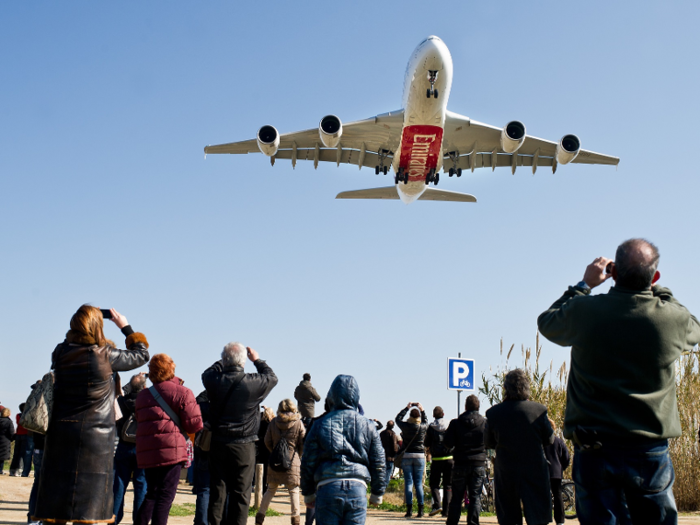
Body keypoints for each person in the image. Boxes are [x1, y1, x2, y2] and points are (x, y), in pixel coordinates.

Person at [537, 239, 700, 525]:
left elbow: (547, 322)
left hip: (595, 447)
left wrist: (583, 285)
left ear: (613, 272)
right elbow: (694, 327)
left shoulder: (585, 311)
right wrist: (657, 288)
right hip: (649, 450)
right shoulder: (671, 319)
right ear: (654, 276)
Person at [33, 305, 150, 524]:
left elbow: (70, 346)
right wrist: (125, 326)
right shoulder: (106, 356)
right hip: (95, 437)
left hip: (60, 433)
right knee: (89, 508)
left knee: (56, 502)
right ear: (98, 326)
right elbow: (142, 354)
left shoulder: (60, 352)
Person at [202, 343, 278, 525]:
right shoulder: (253, 383)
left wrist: (224, 360)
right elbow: (272, 378)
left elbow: (207, 372)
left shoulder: (213, 380)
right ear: (243, 362)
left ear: (224, 360)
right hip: (244, 444)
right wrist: (257, 360)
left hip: (218, 442)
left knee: (217, 492)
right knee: (242, 494)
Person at [300, 375, 386, 525]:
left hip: (327, 486)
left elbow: (308, 460)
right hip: (357, 487)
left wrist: (308, 492)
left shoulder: (319, 424)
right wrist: (377, 492)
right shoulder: (369, 425)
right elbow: (378, 461)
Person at [134, 353, 203, 525]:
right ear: (171, 369)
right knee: (165, 497)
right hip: (171, 451)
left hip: (147, 451)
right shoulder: (183, 392)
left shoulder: (142, 395)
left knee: (152, 493)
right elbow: (194, 425)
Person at [485, 369, 554, 525]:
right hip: (534, 468)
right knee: (538, 517)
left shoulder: (493, 413)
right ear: (526, 387)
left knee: (508, 516)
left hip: (506, 469)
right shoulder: (539, 411)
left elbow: (488, 443)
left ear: (505, 388)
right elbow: (549, 439)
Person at [256, 399, 306, 525]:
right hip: (292, 460)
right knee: (293, 490)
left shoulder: (273, 422)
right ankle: (295, 520)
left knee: (271, 489)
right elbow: (303, 442)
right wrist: (298, 455)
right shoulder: (298, 423)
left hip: (275, 461)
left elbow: (267, 440)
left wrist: (275, 452)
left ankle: (260, 517)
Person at [444, 395, 487, 525]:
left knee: (456, 497)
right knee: (475, 497)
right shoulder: (485, 423)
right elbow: (491, 442)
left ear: (465, 407)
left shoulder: (455, 423)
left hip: (460, 464)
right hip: (478, 464)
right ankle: (473, 522)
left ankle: (452, 522)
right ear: (478, 407)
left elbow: (447, 443)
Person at [113, 372, 149, 524]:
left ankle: (113, 518)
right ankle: (139, 520)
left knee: (119, 483)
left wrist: (132, 382)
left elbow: (121, 393)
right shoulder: (148, 401)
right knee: (141, 484)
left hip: (123, 446)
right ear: (144, 387)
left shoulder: (122, 401)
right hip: (142, 447)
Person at [396, 402, 428, 518]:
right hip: (419, 456)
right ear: (418, 416)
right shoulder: (422, 426)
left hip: (407, 455)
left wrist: (406, 407)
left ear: (410, 416)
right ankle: (421, 510)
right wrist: (422, 410)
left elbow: (397, 419)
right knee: (418, 484)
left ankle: (409, 510)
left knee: (408, 483)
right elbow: (426, 421)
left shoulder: (405, 426)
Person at [425, 406, 453, 517]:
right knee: (448, 485)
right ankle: (447, 511)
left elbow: (426, 443)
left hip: (436, 459)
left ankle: (437, 504)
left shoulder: (431, 427)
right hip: (450, 458)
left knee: (434, 483)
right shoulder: (449, 425)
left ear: (433, 415)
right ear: (444, 414)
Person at [544, 418, 570, 525]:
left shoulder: (541, 442)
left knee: (545, 496)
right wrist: (561, 468)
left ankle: (545, 518)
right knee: (558, 496)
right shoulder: (559, 441)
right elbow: (566, 457)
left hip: (544, 472)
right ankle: (560, 521)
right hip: (556, 472)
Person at [192, 391, 211, 525]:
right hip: (226, 447)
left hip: (205, 446)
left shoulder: (203, 404)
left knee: (204, 489)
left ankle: (201, 521)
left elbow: (198, 400)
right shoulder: (229, 400)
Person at [255, 405, 276, 496]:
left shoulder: (260, 422)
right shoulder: (273, 423)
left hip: (260, 447)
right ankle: (268, 487)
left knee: (261, 468)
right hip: (269, 448)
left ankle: (262, 487)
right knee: (269, 469)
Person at [27, 430, 45, 525]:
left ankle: (33, 519)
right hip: (54, 447)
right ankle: (45, 518)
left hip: (38, 446)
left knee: (38, 483)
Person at [10, 403, 32, 476]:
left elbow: (18, 423)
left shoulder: (18, 415)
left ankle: (12, 469)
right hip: (25, 434)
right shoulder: (28, 415)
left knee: (16, 453)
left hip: (18, 434)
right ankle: (19, 469)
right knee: (23, 453)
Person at [379, 420, 400, 488]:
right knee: (388, 472)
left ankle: (380, 485)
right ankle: (385, 487)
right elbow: (394, 446)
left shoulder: (382, 433)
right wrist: (396, 452)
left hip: (382, 455)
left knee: (382, 472)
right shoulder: (392, 434)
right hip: (390, 457)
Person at [0, 407, 14, 475]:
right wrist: (12, 438)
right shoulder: (9, 422)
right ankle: (0, 470)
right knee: (1, 458)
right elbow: (11, 432)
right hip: (5, 440)